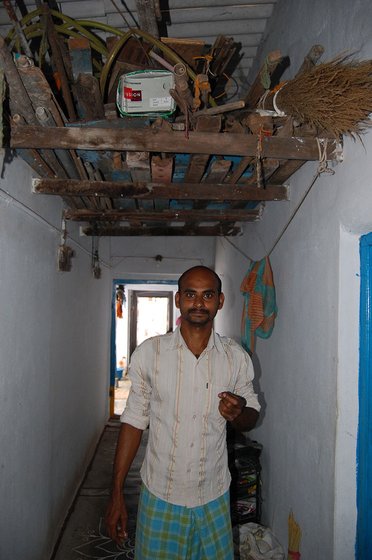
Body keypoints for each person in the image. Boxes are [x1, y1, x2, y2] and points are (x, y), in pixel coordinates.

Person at [105, 266, 260, 559]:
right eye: (190, 294)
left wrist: (237, 413)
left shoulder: (235, 357)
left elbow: (251, 415)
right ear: (178, 300)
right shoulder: (151, 354)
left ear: (220, 301)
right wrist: (116, 492)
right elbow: (133, 423)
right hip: (160, 496)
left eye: (207, 295)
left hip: (213, 496)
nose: (199, 303)